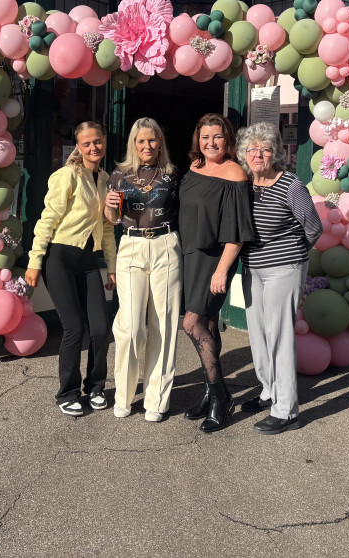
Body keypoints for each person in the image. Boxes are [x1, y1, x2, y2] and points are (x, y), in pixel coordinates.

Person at [236, 122, 322, 435]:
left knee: (280, 337)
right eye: (252, 149)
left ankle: (285, 410)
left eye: (265, 149)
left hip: (283, 269)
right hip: (252, 269)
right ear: (244, 155)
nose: (258, 154)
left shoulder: (291, 186)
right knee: (258, 335)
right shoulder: (244, 184)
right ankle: (268, 391)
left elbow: (314, 228)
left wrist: (293, 258)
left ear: (276, 154)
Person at [26, 121, 117, 417]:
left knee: (102, 330)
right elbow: (47, 219)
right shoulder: (66, 176)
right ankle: (67, 392)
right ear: (78, 146)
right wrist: (34, 260)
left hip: (88, 260)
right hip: (60, 258)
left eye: (98, 141)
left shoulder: (105, 179)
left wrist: (112, 266)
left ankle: (95, 386)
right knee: (74, 327)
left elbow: (106, 227)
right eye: (87, 143)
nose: (93, 147)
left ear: (104, 142)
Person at [178, 113, 254, 432]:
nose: (211, 143)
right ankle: (211, 394)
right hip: (191, 254)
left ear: (228, 140)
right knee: (207, 323)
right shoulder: (194, 168)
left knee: (192, 323)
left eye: (218, 137)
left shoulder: (234, 173)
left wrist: (223, 270)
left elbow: (237, 230)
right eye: (205, 137)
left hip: (216, 258)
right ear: (198, 139)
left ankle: (222, 396)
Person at [103, 118, 182, 423]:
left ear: (160, 143)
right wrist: (110, 206)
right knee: (132, 325)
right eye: (141, 141)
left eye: (152, 140)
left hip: (166, 244)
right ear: (133, 144)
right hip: (132, 246)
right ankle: (123, 394)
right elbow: (112, 218)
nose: (147, 146)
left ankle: (156, 400)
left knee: (164, 324)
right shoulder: (119, 175)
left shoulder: (173, 175)